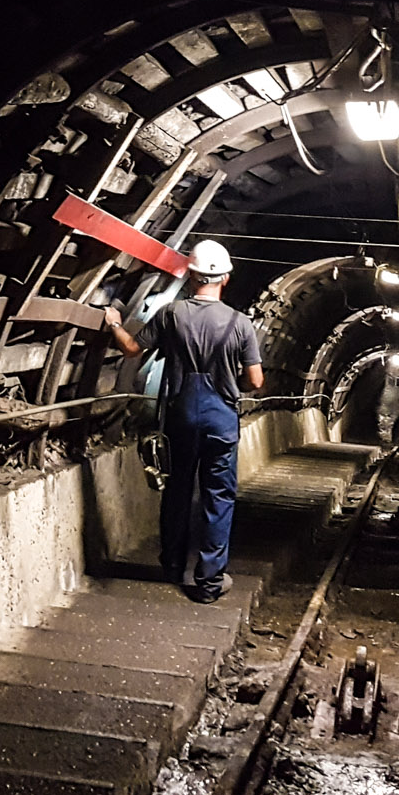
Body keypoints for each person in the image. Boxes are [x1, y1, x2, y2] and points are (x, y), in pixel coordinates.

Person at [104, 239, 263, 603]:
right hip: (220, 418)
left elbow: (131, 348)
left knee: (177, 491)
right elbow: (255, 381)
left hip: (180, 414)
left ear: (192, 277)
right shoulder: (241, 323)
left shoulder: (171, 314)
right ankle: (208, 582)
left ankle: (172, 565)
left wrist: (114, 323)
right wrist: (229, 382)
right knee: (217, 497)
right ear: (225, 279)